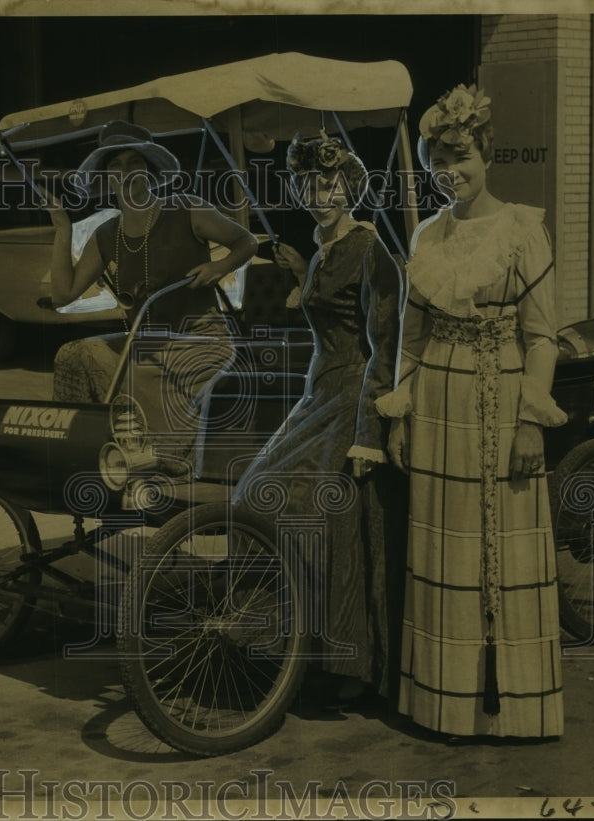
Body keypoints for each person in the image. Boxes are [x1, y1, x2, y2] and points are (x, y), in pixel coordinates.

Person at [377, 84, 566, 739]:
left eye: (461, 157)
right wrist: (399, 413)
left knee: (506, 558)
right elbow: (412, 335)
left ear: (487, 152)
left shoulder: (521, 230)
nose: (450, 172)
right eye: (438, 163)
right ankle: (445, 705)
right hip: (438, 403)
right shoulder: (428, 235)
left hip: (503, 392)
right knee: (445, 555)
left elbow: (543, 335)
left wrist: (528, 420)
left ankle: (513, 708)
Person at [231, 132, 407, 706]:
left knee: (318, 508)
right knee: (255, 492)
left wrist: (368, 435)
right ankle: (289, 646)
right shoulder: (324, 247)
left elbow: (386, 345)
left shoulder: (369, 248)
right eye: (308, 183)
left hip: (356, 394)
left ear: (350, 185)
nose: (319, 193)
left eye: (329, 183)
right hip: (320, 391)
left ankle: (348, 665)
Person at [46, 120, 258, 469]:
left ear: (150, 171)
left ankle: (161, 463)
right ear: (107, 177)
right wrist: (62, 229)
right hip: (145, 344)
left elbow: (246, 241)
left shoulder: (186, 208)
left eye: (134, 164)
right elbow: (62, 296)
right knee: (73, 354)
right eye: (116, 166)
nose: (125, 173)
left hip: (203, 341)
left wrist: (218, 268)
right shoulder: (107, 233)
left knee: (142, 365)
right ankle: (84, 453)